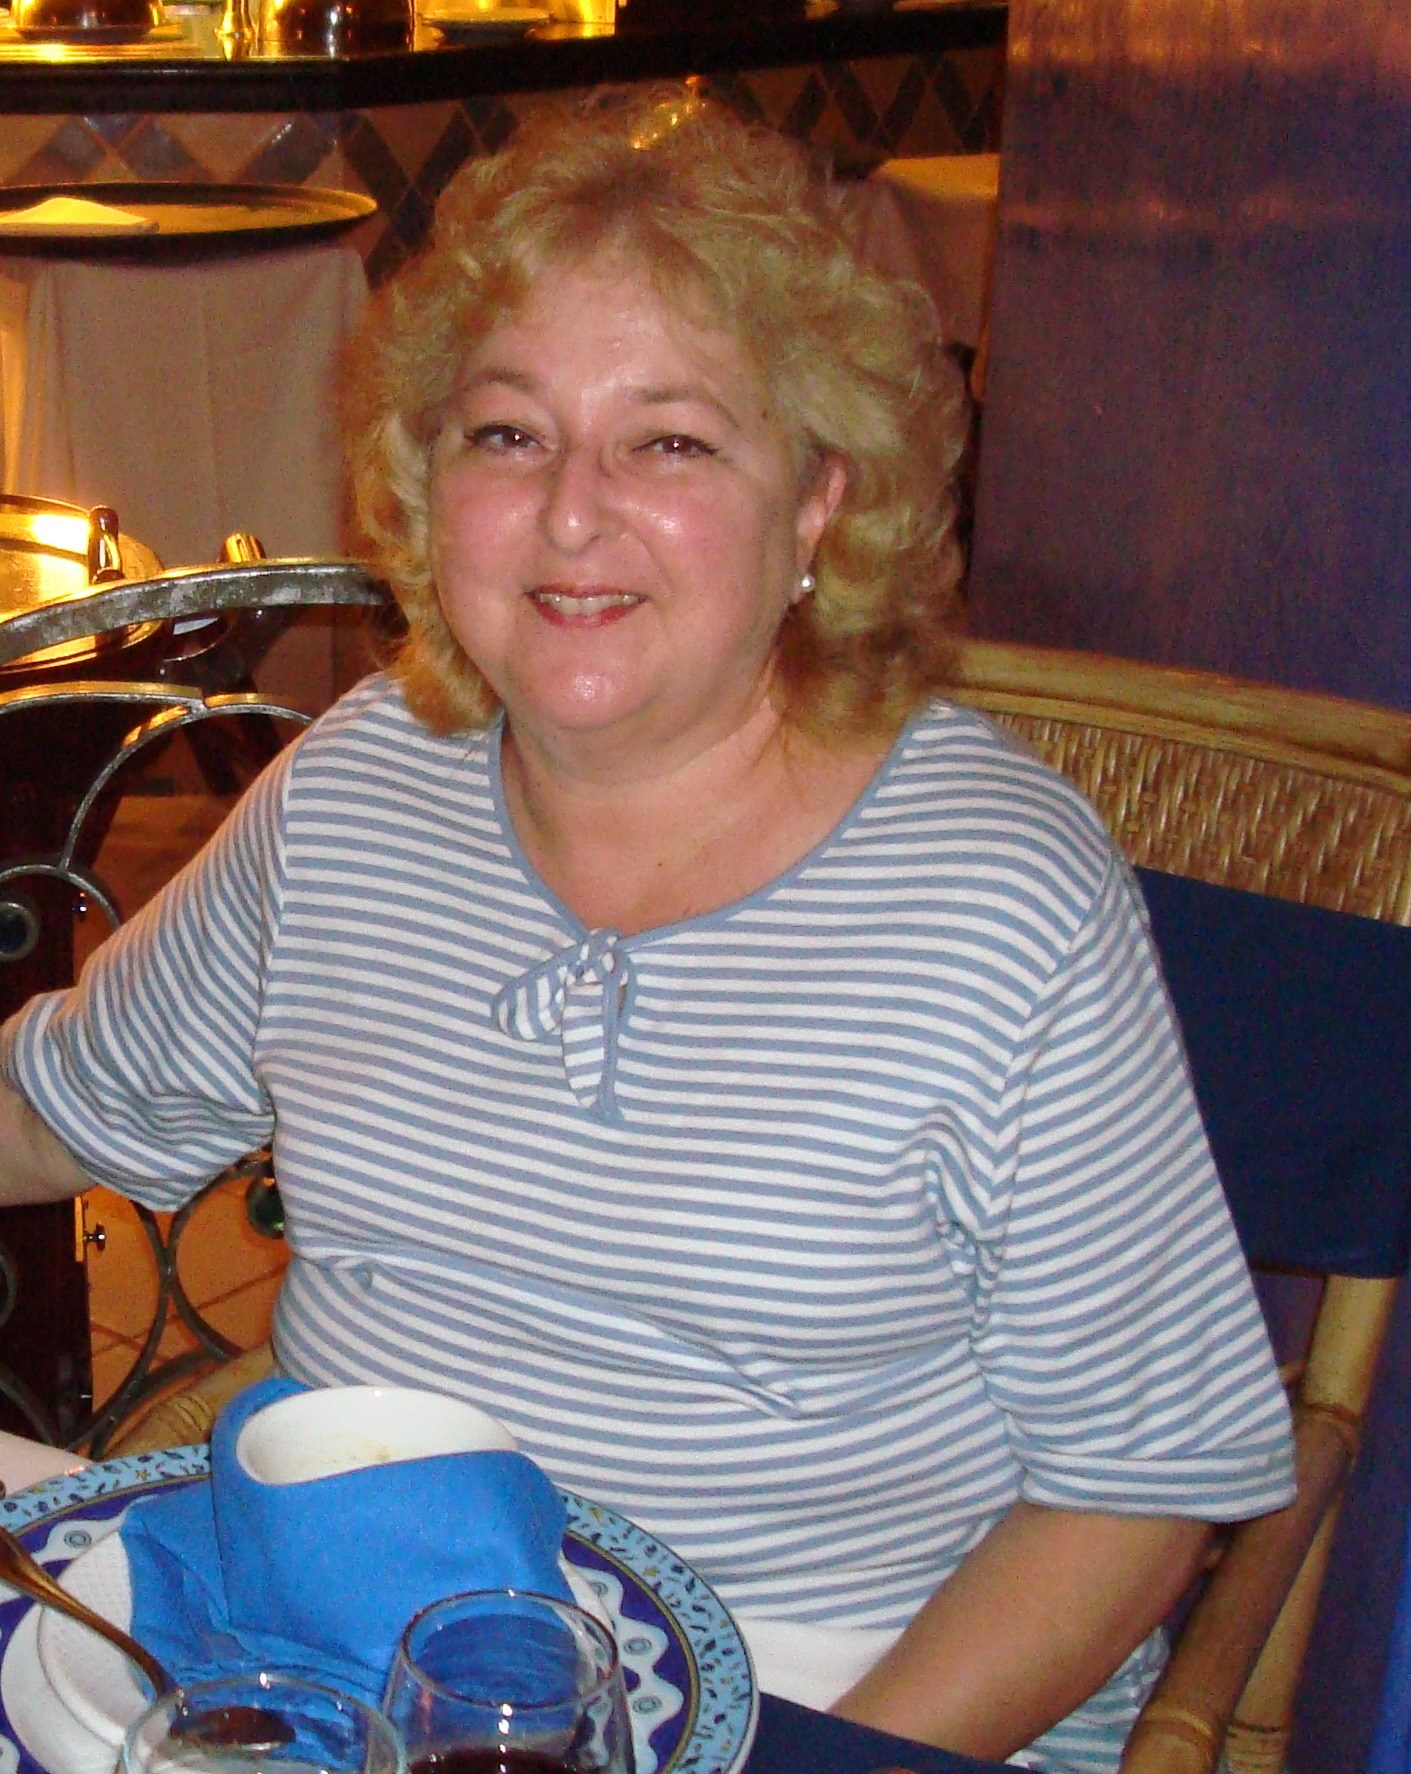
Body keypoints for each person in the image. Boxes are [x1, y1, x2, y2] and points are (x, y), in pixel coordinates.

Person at [0, 88, 1293, 1774]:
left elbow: (1135, 1490)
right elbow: (58, 1106)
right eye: (506, 434)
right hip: (337, 1659)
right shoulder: (355, 794)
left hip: (843, 1692)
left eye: (670, 441)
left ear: (818, 500)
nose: (571, 512)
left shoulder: (1001, 898)